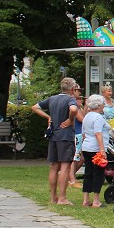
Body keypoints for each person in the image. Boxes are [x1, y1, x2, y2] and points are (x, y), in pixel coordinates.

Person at [32, 77, 80, 205]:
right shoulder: (70, 99)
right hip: (66, 136)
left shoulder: (52, 99)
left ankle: (53, 197)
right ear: (73, 89)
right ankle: (62, 198)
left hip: (53, 135)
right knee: (65, 166)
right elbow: (74, 110)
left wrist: (49, 117)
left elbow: (35, 107)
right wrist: (70, 120)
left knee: (54, 166)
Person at [80, 94, 112, 208]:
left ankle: (85, 199)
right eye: (103, 104)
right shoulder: (98, 117)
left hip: (86, 147)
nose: (104, 106)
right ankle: (96, 200)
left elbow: (84, 133)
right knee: (98, 173)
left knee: (88, 173)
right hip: (96, 149)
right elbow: (98, 133)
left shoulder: (87, 116)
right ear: (98, 105)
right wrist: (102, 150)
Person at [68, 87, 87, 191]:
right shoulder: (73, 104)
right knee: (75, 158)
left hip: (80, 133)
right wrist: (84, 106)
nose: (80, 93)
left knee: (81, 158)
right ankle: (72, 179)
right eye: (78, 90)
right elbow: (82, 119)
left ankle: (70, 175)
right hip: (76, 134)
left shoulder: (77, 105)